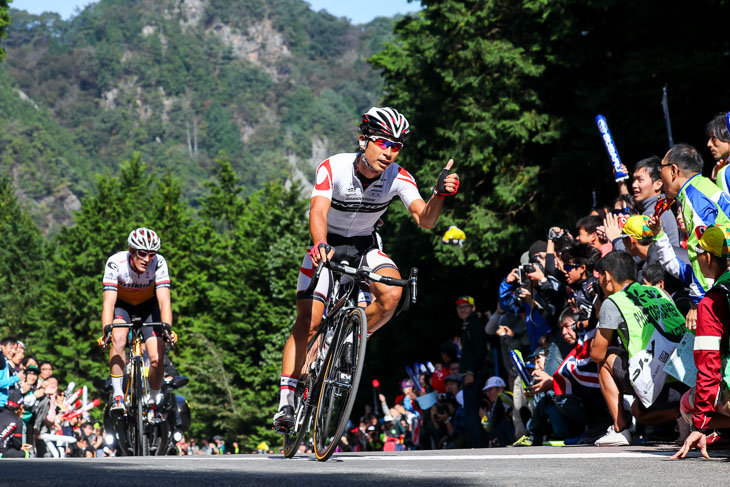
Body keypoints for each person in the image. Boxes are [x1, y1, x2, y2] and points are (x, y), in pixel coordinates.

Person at [273, 107, 460, 431]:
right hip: (326, 246)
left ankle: (353, 338)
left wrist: (438, 194)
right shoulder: (333, 167)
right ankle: (286, 402)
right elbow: (317, 210)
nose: (389, 153)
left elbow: (425, 219)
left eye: (397, 146)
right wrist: (319, 244)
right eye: (383, 143)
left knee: (393, 291)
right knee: (310, 322)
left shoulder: (398, 177)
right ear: (364, 141)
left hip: (364, 247)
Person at [591, 251, 687, 446]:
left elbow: (596, 353)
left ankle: (620, 430)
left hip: (657, 388)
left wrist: (601, 316)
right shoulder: (659, 292)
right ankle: (685, 417)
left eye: (600, 276)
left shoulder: (614, 302)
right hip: (686, 380)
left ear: (607, 276)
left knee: (605, 360)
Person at [100, 227, 176, 423]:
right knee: (117, 338)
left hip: (148, 308)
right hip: (122, 306)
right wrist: (106, 331)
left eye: (152, 253)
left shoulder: (159, 263)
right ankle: (118, 395)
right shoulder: (115, 263)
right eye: (142, 253)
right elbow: (108, 302)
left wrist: (167, 328)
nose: (147, 258)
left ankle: (153, 402)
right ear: (131, 251)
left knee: (157, 357)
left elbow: (164, 301)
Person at [673, 225, 730, 459]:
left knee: (686, 404)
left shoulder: (710, 302)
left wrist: (699, 425)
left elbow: (709, 367)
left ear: (706, 257)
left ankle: (714, 433)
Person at [659, 143, 730, 330]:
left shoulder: (693, 196)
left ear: (673, 170)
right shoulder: (704, 185)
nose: (660, 178)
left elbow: (701, 247)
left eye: (661, 169)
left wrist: (697, 302)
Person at [456, 295, 486, 448]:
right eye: (460, 307)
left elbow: (478, 350)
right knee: (471, 409)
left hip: (472, 374)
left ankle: (475, 443)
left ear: (473, 308)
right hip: (469, 372)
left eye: (466, 307)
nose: (462, 310)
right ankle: (475, 442)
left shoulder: (474, 324)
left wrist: (470, 372)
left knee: (472, 410)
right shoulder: (467, 324)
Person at [0, 389, 30, 458]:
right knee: (26, 453)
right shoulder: (17, 421)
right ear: (20, 407)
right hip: (2, 452)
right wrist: (20, 446)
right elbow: (17, 444)